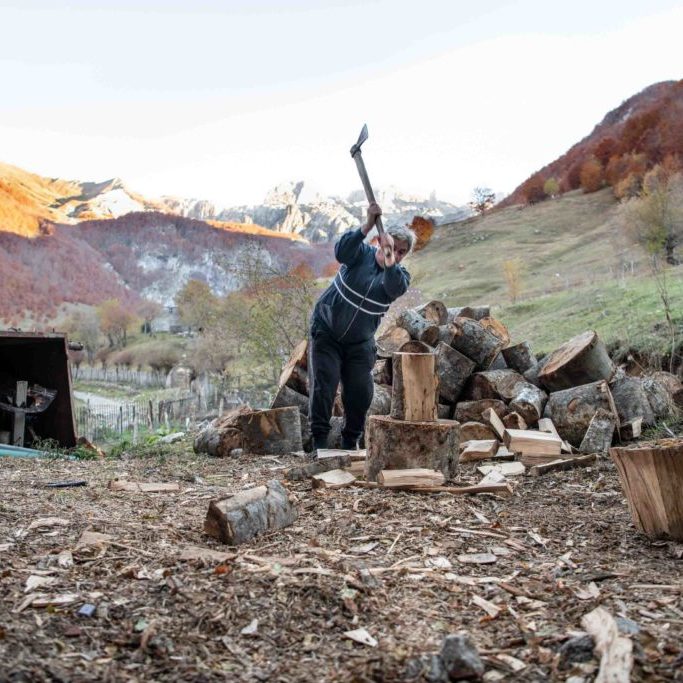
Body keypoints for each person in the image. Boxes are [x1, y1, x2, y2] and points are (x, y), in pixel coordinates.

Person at [308, 202, 415, 450]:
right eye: (392, 247)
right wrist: (367, 224)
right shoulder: (360, 254)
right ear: (380, 241)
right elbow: (341, 251)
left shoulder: (399, 276)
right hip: (327, 330)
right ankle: (319, 442)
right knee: (325, 384)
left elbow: (394, 288)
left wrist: (390, 261)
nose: (395, 254)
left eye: (401, 252)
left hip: (360, 341)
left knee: (361, 391)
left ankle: (350, 441)